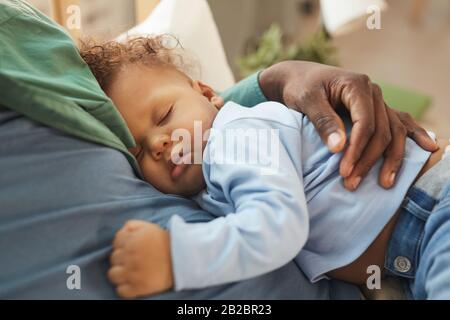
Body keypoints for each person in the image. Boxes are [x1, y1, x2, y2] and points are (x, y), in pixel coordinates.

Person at [0, 0, 437, 299]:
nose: (159, 143)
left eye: (165, 114)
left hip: (432, 214)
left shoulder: (235, 138)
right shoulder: (209, 173)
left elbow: (277, 226)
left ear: (210, 94)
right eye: (136, 152)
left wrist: (175, 257)